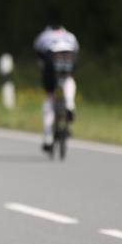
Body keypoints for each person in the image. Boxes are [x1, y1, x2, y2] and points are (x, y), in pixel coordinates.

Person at [33, 24, 79, 152]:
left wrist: (45, 70)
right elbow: (76, 51)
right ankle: (70, 103)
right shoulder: (70, 35)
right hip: (69, 54)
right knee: (69, 79)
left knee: (50, 95)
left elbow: (39, 54)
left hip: (51, 55)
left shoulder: (44, 35)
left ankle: (48, 135)